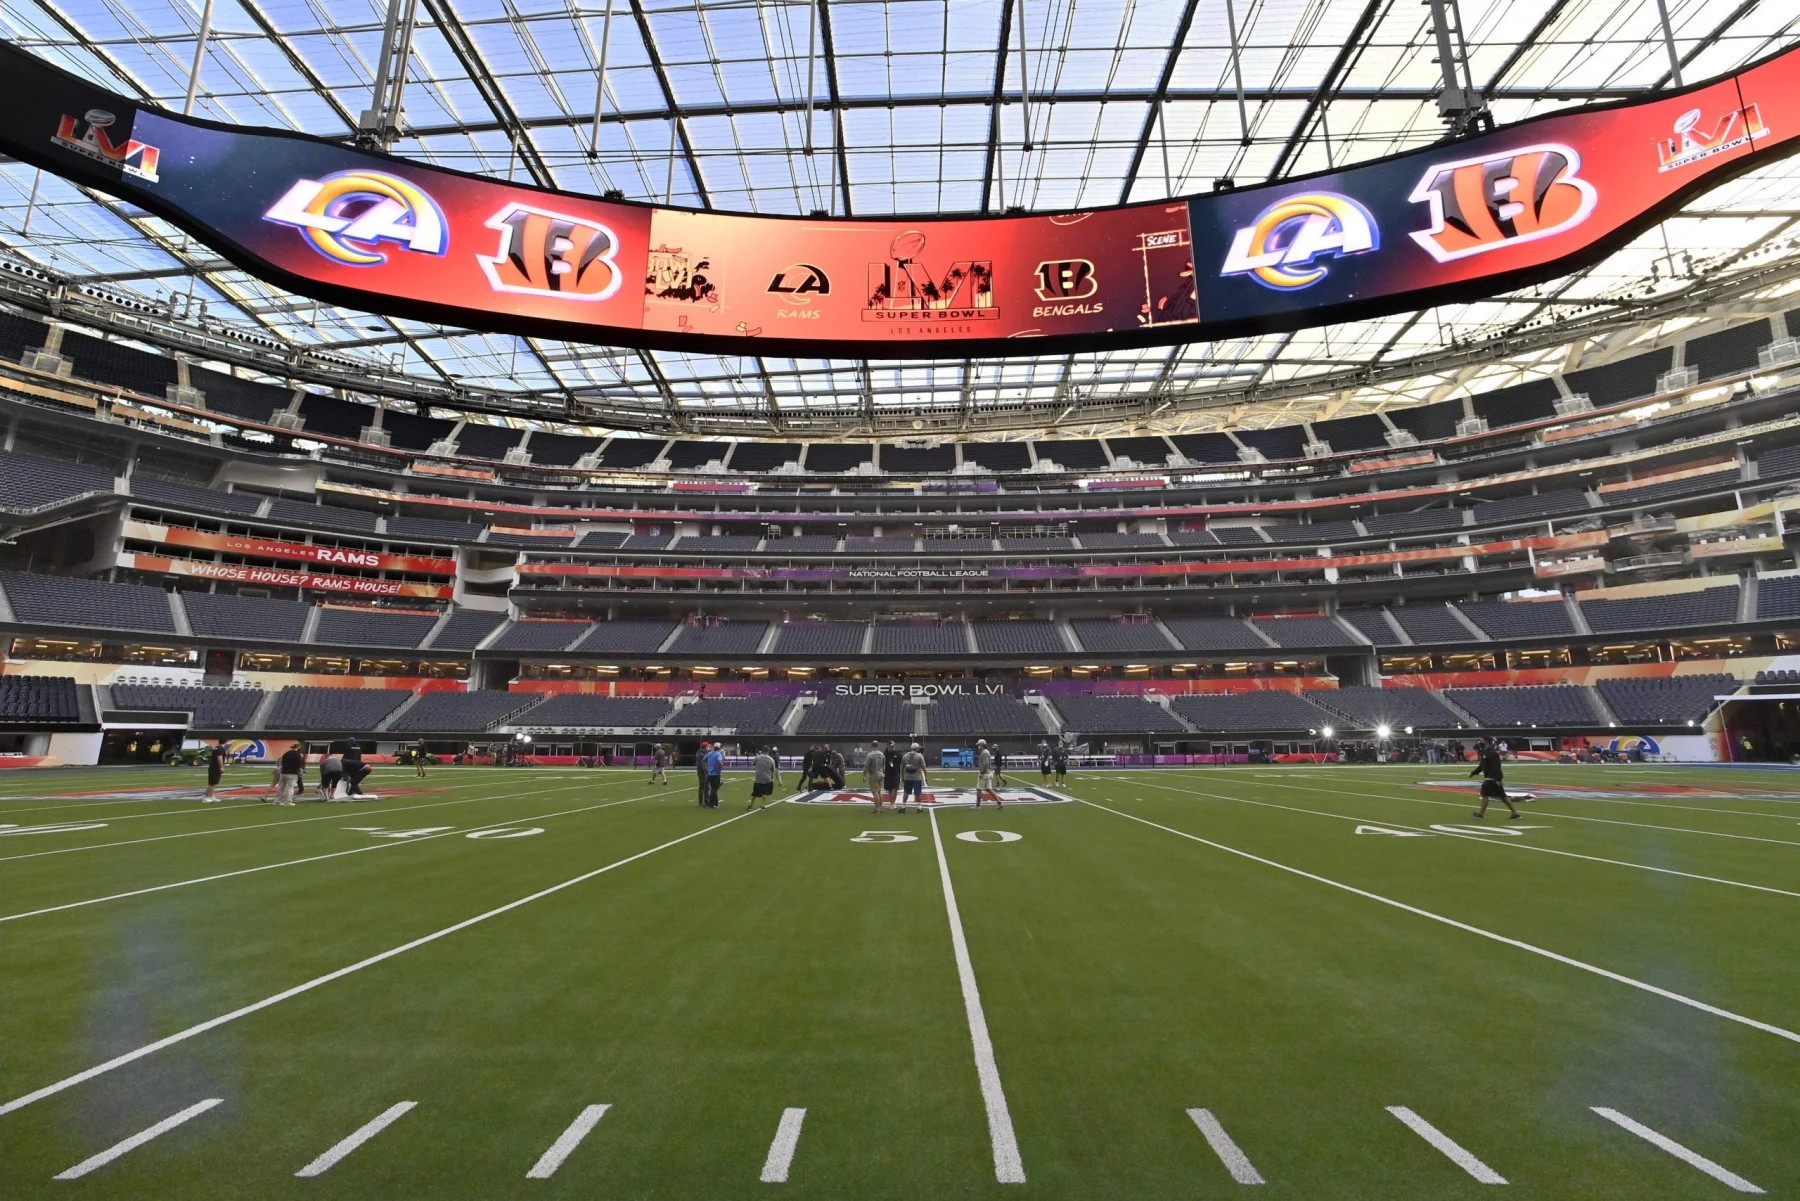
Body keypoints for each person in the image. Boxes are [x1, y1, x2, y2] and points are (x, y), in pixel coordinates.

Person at [1470, 737, 1521, 820]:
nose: (1480, 742)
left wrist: (1498, 779)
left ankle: (1481, 814)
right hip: (1492, 778)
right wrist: (1473, 773)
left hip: (1492, 778)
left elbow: (1497, 767)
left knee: (1485, 794)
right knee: (1502, 796)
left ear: (1487, 742)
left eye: (1482, 740)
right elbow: (1481, 766)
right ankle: (1515, 814)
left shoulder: (1493, 753)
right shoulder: (1485, 752)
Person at [899, 741, 927, 813]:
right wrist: (926, 777)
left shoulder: (905, 756)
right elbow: (924, 767)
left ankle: (903, 807)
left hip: (907, 777)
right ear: (917, 749)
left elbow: (901, 767)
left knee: (906, 792)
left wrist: (902, 776)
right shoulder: (920, 756)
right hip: (916, 777)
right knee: (918, 793)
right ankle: (919, 808)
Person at [749, 744, 780, 810]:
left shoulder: (758, 757)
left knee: (754, 793)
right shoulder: (771, 759)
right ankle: (762, 805)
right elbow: (773, 770)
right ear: (768, 751)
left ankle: (750, 805)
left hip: (758, 778)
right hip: (767, 778)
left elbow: (752, 763)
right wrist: (772, 778)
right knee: (764, 793)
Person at [974, 739, 1003, 809]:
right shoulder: (987, 752)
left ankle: (978, 806)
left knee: (979, 789)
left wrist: (982, 772)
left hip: (985, 773)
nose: (978, 746)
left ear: (982, 744)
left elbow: (985, 763)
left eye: (979, 744)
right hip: (988, 772)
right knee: (989, 789)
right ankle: (999, 803)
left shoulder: (984, 752)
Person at [864, 740, 888, 811]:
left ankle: (877, 808)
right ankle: (880, 807)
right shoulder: (882, 754)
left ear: (872, 746)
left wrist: (864, 775)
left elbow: (866, 767)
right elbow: (884, 766)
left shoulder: (870, 755)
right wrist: (883, 773)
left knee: (875, 792)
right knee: (879, 791)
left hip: (874, 775)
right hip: (881, 774)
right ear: (877, 746)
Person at [703, 741, 724, 808]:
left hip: (710, 774)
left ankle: (716, 803)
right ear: (719, 748)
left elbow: (703, 761)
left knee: (713, 789)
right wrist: (719, 770)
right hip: (715, 774)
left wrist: (706, 769)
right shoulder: (718, 754)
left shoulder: (709, 753)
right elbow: (719, 762)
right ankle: (711, 804)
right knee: (714, 789)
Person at [696, 741, 712, 806]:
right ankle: (701, 802)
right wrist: (707, 772)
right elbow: (703, 765)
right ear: (705, 747)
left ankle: (706, 801)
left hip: (705, 771)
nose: (709, 747)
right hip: (702, 772)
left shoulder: (703, 753)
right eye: (708, 746)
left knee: (707, 787)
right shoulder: (701, 755)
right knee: (702, 787)